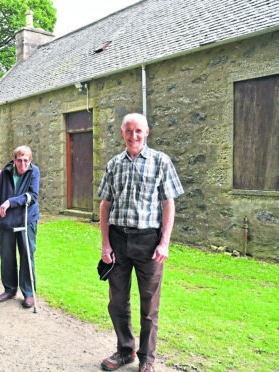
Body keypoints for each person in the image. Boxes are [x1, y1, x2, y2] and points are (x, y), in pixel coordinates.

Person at [97, 113, 184, 372]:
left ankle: (147, 358)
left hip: (149, 243)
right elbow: (105, 205)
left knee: (149, 305)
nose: (133, 136)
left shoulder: (161, 161)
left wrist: (164, 243)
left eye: (138, 131)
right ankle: (125, 351)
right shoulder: (114, 164)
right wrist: (105, 244)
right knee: (117, 301)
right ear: (122, 133)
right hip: (118, 240)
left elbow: (168, 203)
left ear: (146, 132)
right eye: (128, 131)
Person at [0, 145, 40, 309]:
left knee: (26, 256)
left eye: (26, 160)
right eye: (19, 160)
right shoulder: (5, 173)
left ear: (30, 160)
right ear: (14, 159)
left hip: (26, 220)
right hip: (6, 223)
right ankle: (10, 289)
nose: (23, 164)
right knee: (7, 256)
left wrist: (11, 201)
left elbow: (32, 196)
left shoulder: (34, 172)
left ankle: (28, 293)